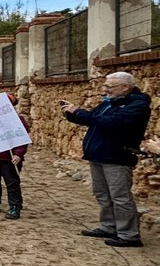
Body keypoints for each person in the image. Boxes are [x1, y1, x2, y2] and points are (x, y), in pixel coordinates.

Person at [62, 71, 152, 247]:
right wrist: (72, 113)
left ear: (124, 87)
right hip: (98, 154)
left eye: (109, 86)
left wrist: (79, 112)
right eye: (105, 86)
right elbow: (93, 119)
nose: (105, 90)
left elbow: (112, 122)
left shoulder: (137, 105)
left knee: (120, 196)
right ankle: (109, 226)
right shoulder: (109, 102)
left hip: (117, 156)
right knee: (102, 194)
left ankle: (129, 235)